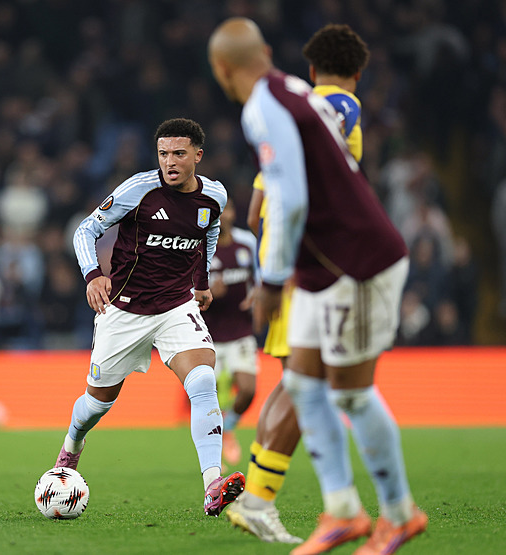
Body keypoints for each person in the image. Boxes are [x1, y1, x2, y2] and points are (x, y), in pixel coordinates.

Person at [209, 18, 428, 555]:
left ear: (221, 70)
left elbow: (292, 197)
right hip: (322, 266)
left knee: (350, 391)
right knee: (304, 384)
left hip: (354, 262)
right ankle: (344, 512)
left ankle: (399, 514)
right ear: (265, 51)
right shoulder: (297, 91)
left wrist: (273, 281)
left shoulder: (263, 107)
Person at [53, 118, 245, 517]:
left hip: (176, 306)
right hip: (124, 310)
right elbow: (84, 230)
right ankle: (71, 446)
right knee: (97, 404)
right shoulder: (139, 190)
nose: (169, 162)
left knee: (204, 380)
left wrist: (202, 281)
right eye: (163, 154)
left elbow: (207, 234)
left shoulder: (214, 196)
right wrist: (92, 276)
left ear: (197, 155)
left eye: (178, 153)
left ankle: (213, 483)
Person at [225, 23, 370, 544]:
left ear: (310, 68)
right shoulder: (337, 107)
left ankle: (257, 496)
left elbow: (262, 199)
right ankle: (260, 498)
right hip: (310, 262)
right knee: (308, 382)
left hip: (285, 258)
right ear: (357, 73)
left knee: (298, 378)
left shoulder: (286, 109)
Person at [200, 197, 258, 468]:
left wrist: (257, 296)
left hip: (241, 329)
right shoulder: (201, 248)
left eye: (228, 210)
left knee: (247, 389)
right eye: (218, 213)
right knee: (206, 397)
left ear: (234, 213)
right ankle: (213, 457)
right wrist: (209, 294)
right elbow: (187, 290)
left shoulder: (247, 243)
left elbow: (260, 278)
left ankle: (229, 428)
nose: (223, 216)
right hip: (208, 333)